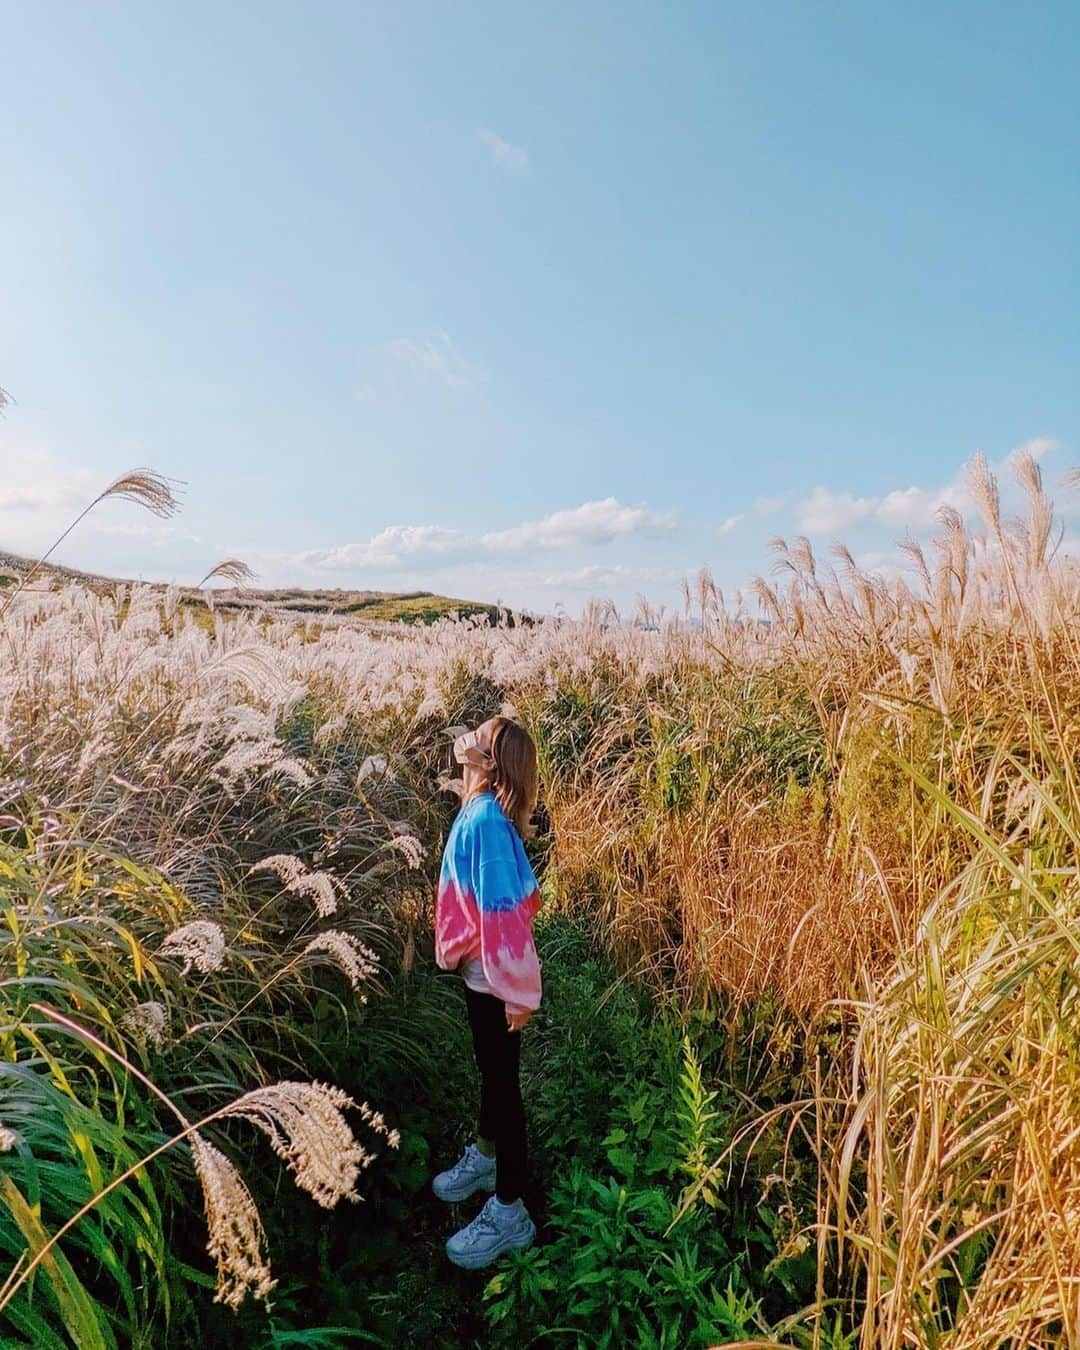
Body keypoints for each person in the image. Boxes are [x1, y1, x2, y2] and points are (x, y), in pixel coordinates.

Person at [432, 715, 542, 1269]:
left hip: (496, 985)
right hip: (483, 978)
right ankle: (487, 1151)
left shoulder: (489, 826)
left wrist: (520, 997)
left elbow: (507, 922)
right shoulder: (480, 813)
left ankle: (509, 1209)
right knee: (491, 1076)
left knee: (504, 1088)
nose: (466, 738)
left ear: (489, 762)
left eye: (479, 735)